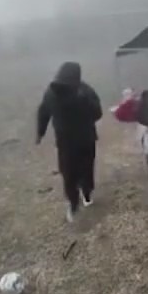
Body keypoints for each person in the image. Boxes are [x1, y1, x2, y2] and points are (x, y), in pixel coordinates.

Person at [36, 61, 103, 223]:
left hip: (70, 141)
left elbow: (43, 113)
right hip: (81, 139)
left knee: (69, 172)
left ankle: (77, 200)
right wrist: (40, 132)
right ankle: (81, 197)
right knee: (80, 169)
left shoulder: (52, 92)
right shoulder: (84, 90)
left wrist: (40, 132)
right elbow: (97, 114)